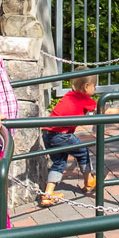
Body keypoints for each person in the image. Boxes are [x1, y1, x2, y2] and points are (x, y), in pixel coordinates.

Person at [37, 74, 95, 207]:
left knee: (59, 162)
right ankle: (89, 182)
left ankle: (48, 194)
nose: (95, 89)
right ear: (86, 87)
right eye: (94, 86)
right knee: (83, 152)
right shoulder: (83, 98)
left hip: (47, 133)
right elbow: (103, 110)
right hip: (61, 135)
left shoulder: (69, 95)